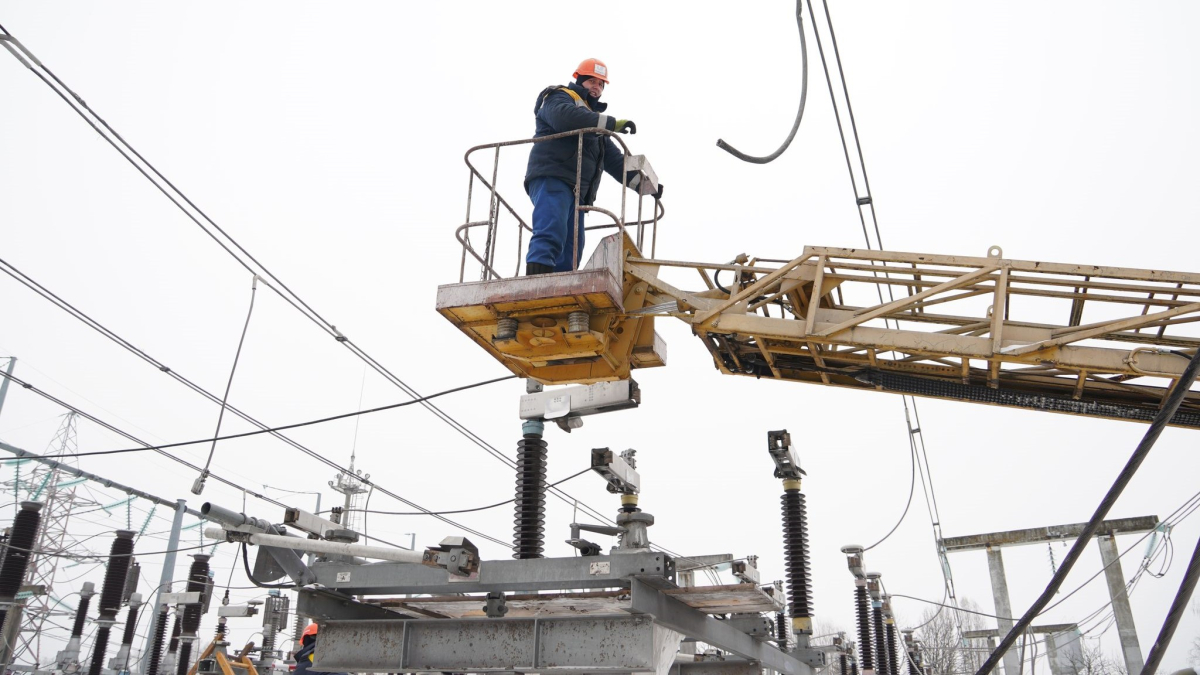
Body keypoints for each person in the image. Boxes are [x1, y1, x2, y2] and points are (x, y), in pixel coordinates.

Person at [523, 58, 663, 275]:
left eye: (601, 84)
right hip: (553, 177)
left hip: (577, 191)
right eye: (592, 81)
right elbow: (565, 118)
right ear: (579, 80)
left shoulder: (593, 124)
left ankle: (560, 286)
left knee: (573, 246)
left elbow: (615, 161)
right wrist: (612, 123)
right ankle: (535, 280)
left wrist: (645, 186)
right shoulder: (558, 97)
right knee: (552, 228)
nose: (596, 87)